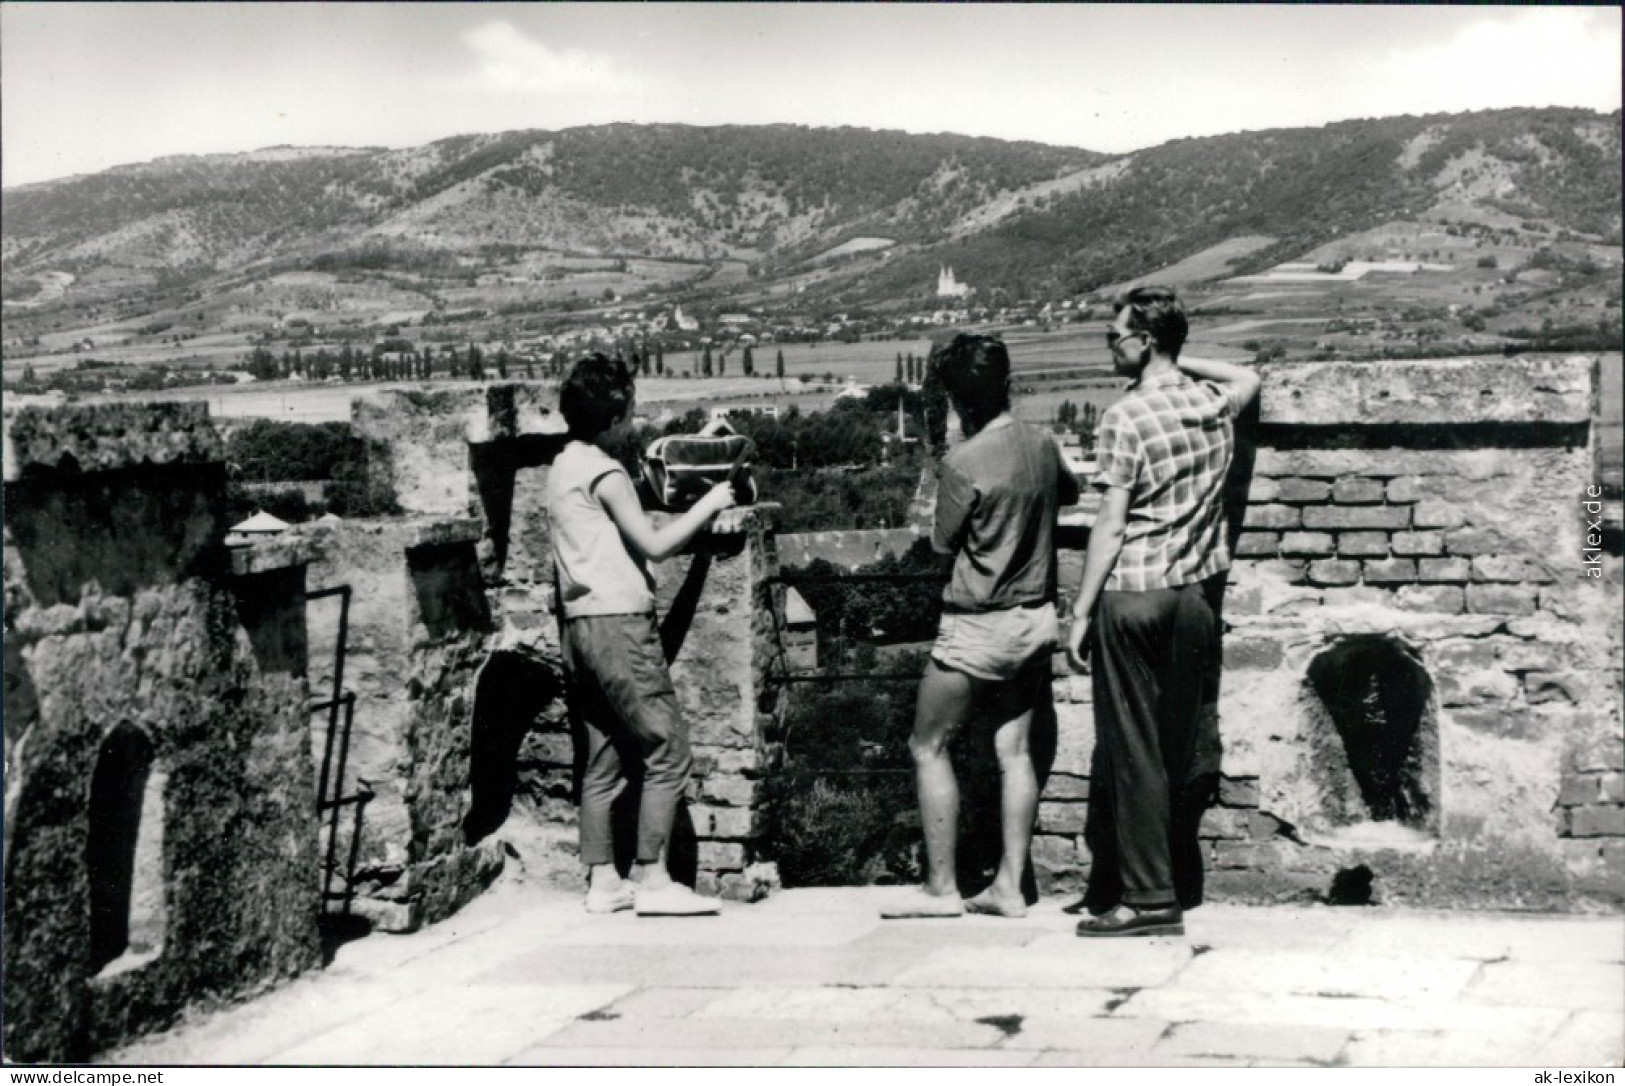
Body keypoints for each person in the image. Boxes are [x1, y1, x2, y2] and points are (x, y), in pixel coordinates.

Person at [1065, 285, 1261, 938]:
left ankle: (1148, 900)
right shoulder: (1210, 404)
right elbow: (1247, 375)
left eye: (1115, 336)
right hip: (1194, 602)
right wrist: (1178, 361)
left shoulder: (1124, 417)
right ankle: (1168, 879)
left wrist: (1079, 613)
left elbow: (1110, 527)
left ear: (1143, 341)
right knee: (1177, 746)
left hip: (1137, 597)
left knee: (1134, 753)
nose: (1108, 347)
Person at [883, 334, 1080, 918]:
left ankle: (941, 889)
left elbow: (944, 543)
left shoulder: (962, 462)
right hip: (1036, 620)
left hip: (977, 624)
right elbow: (1068, 492)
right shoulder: (1043, 442)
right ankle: (1010, 887)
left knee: (927, 743)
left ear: (957, 401)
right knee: (1015, 753)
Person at [547, 353, 737, 916]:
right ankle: (652, 878)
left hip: (579, 627)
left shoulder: (564, 466)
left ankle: (603, 881)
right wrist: (713, 498)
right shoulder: (604, 472)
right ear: (612, 417)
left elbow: (626, 520)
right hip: (620, 625)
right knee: (667, 747)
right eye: (629, 410)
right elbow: (655, 545)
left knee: (603, 756)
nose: (634, 419)